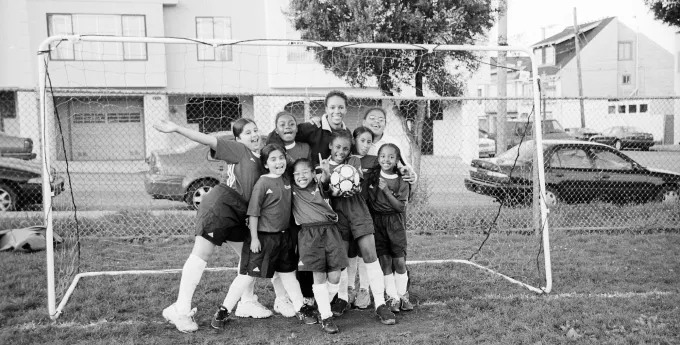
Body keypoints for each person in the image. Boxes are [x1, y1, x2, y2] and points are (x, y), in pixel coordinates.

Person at [156, 118, 271, 333]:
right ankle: (179, 309)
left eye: (256, 130)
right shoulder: (239, 150)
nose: (254, 135)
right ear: (238, 139)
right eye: (247, 132)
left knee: (250, 255)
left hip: (239, 212)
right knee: (202, 254)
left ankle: (246, 302)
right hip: (220, 205)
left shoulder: (262, 158)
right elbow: (208, 139)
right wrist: (178, 128)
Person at [211, 144, 315, 329]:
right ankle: (223, 310)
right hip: (263, 238)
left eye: (281, 158)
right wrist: (255, 238)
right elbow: (253, 214)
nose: (278, 162)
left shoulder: (286, 179)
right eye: (273, 159)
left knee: (289, 275)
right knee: (247, 276)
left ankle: (301, 308)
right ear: (265, 164)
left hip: (283, 238)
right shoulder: (262, 183)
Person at [319, 131, 397, 325]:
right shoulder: (324, 166)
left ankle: (380, 303)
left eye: (345, 148)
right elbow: (326, 193)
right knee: (342, 259)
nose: (341, 151)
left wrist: (348, 186)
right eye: (338, 147)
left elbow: (355, 184)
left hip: (358, 211)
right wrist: (327, 179)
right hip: (338, 216)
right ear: (330, 146)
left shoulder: (353, 161)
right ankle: (343, 298)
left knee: (370, 256)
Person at [266, 112, 317, 316]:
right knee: (282, 253)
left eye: (292, 124)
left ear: (298, 128)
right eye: (282, 124)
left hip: (300, 206)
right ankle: (282, 298)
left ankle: (306, 293)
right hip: (279, 207)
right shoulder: (273, 148)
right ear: (276, 129)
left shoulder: (304, 147)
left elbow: (307, 172)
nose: (287, 127)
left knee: (301, 251)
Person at [291, 158, 347, 334]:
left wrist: (326, 172)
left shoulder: (320, 186)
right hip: (309, 234)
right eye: (297, 174)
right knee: (319, 275)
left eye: (305, 172)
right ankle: (326, 316)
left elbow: (325, 181)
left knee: (335, 276)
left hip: (330, 232)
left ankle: (321, 304)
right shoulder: (291, 190)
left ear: (313, 174)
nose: (301, 176)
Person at [365, 143, 414, 313]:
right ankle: (392, 297)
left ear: (396, 160)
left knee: (399, 261)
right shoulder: (372, 177)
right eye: (383, 156)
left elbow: (400, 207)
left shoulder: (402, 179)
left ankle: (403, 294)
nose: (387, 159)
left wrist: (386, 190)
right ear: (378, 158)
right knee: (384, 261)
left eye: (391, 157)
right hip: (377, 223)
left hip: (395, 222)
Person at [346, 126, 377, 309]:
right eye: (362, 140)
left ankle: (364, 289)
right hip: (349, 212)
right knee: (350, 251)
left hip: (368, 212)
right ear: (354, 140)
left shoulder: (374, 161)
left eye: (369, 142)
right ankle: (349, 287)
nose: (365, 145)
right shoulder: (346, 158)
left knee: (364, 252)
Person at [295, 90, 352, 166]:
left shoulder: (347, 133)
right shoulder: (313, 126)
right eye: (332, 107)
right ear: (326, 109)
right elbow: (285, 136)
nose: (337, 111)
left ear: (346, 110)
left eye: (341, 107)